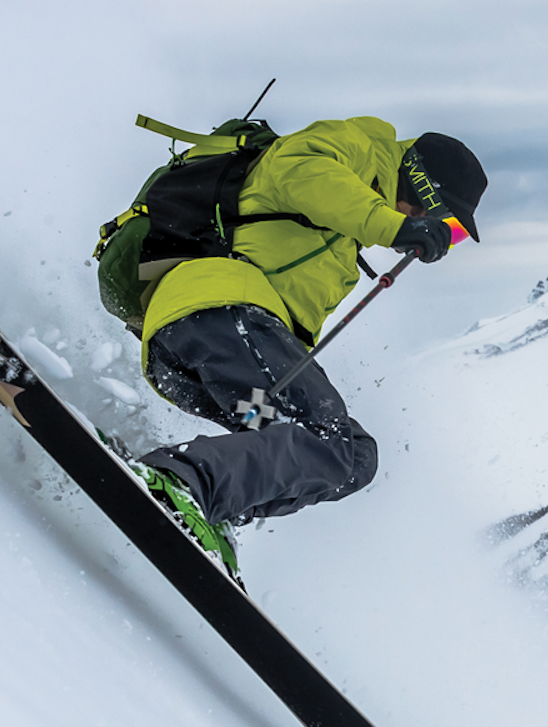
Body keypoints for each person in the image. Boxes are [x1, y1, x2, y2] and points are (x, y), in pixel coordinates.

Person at [128, 118, 487, 577]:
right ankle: (183, 482)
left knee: (349, 455)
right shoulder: (357, 151)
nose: (436, 230)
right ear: (424, 189)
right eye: (447, 221)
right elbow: (302, 170)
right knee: (327, 438)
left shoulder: (338, 241)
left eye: (451, 232)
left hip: (209, 358)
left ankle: (205, 502)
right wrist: (391, 226)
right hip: (218, 313)